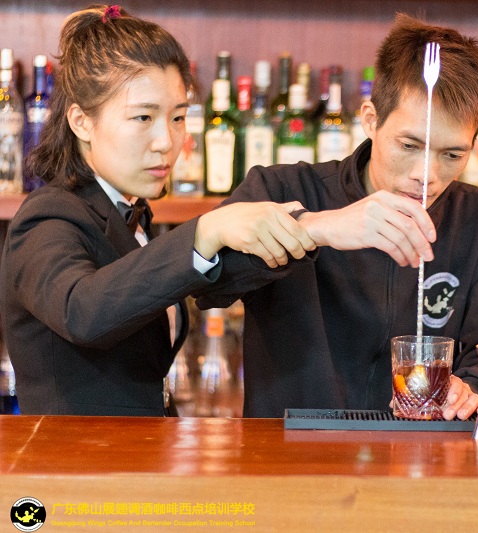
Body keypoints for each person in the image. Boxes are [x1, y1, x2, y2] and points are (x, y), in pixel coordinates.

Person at [196, 14, 478, 420]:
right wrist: (318, 228)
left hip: (421, 451)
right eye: (409, 145)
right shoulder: (282, 190)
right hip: (286, 447)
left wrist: (468, 387)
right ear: (370, 119)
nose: (427, 175)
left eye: (452, 155)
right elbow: (210, 284)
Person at [0, 5, 315, 416]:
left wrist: (319, 229)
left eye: (179, 117)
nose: (167, 141)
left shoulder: (132, 214)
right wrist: (206, 230)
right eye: (143, 117)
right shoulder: (48, 216)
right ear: (81, 122)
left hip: (143, 449)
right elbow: (82, 312)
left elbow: (200, 280)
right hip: (76, 455)